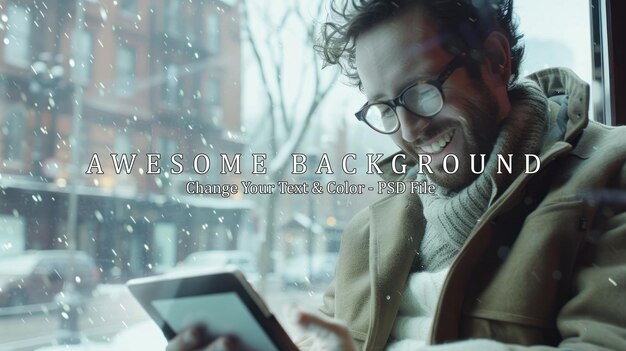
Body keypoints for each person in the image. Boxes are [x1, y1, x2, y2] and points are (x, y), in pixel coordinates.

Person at [168, 0, 626, 350]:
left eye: (420, 91)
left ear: (494, 61)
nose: (409, 129)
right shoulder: (371, 229)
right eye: (385, 108)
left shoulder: (609, 172)